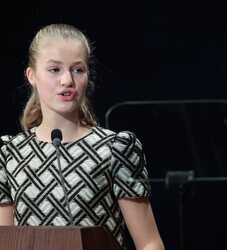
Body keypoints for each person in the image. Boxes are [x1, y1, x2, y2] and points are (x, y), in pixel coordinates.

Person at [0, 23, 165, 250]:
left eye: (78, 69)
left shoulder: (115, 149)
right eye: (54, 69)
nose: (67, 80)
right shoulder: (11, 153)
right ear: (32, 75)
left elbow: (149, 243)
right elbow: (6, 242)